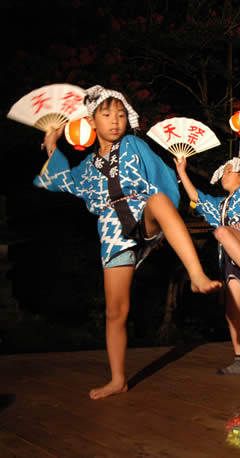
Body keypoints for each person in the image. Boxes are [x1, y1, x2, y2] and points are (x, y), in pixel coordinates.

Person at [35, 86, 220, 399]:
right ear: (91, 122)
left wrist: (164, 224)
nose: (115, 121)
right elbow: (61, 179)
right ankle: (117, 379)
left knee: (160, 200)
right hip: (113, 233)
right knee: (115, 312)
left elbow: (161, 178)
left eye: (120, 114)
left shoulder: (133, 144)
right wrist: (53, 146)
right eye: (106, 115)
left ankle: (197, 274)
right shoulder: (87, 168)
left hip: (144, 212)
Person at [175, 156, 240, 374]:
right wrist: (182, 171)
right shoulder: (219, 205)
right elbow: (195, 196)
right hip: (230, 258)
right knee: (232, 312)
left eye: (229, 170)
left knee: (221, 231)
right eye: (223, 170)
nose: (224, 173)